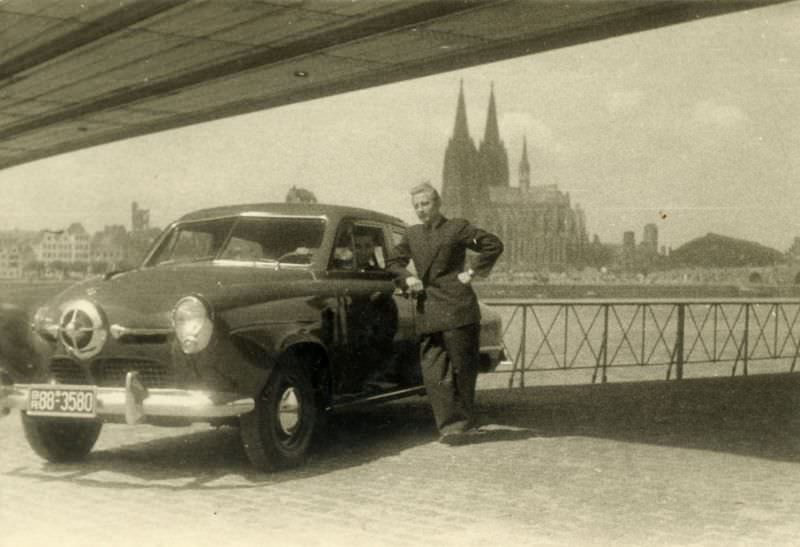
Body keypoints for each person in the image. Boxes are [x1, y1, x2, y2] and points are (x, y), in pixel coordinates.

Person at [386, 182, 503, 443]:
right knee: (433, 370)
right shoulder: (412, 234)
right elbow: (393, 262)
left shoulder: (457, 227)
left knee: (462, 369)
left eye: (425, 204)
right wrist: (407, 278)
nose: (420, 210)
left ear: (437, 203)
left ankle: (459, 427)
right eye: (416, 206)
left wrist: (472, 272)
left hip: (458, 308)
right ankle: (451, 425)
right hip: (428, 309)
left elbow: (493, 245)